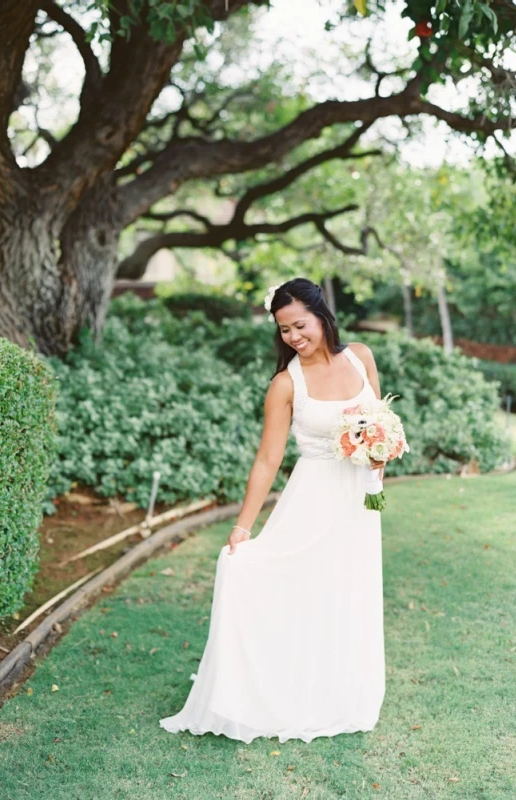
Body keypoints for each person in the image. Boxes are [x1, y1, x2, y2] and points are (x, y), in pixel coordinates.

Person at [159, 277, 386, 744]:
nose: (293, 337)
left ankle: (338, 691)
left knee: (348, 592)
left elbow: (380, 418)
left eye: (299, 325)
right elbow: (268, 459)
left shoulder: (361, 357)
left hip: (360, 501)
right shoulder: (286, 384)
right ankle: (272, 688)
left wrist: (381, 456)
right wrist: (243, 526)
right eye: (284, 330)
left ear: (322, 315)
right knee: (287, 583)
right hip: (312, 497)